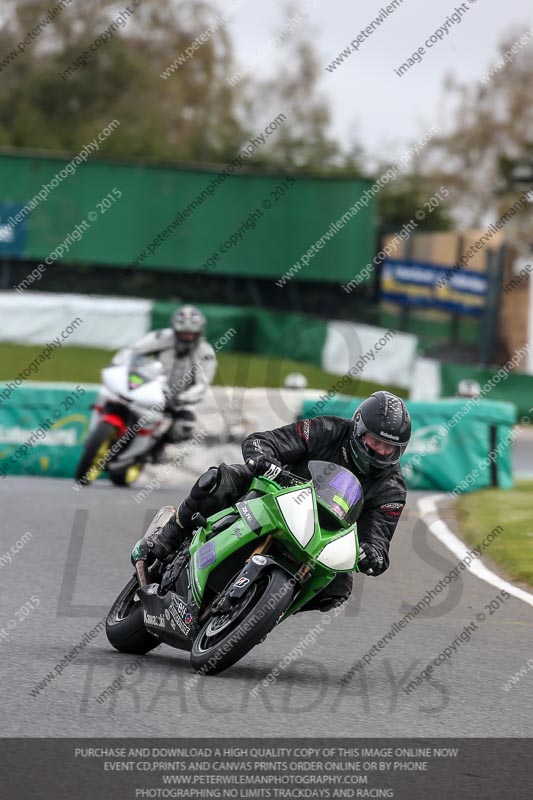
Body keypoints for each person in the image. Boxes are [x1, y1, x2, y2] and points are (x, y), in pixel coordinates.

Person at [132, 391, 411, 611]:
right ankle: (167, 536)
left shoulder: (392, 488)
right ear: (359, 429)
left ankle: (264, 609)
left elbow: (378, 538)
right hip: (275, 495)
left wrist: (372, 554)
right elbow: (268, 441)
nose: (382, 452)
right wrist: (261, 457)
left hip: (322, 536)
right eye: (377, 442)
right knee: (221, 479)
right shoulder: (327, 429)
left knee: (339, 586)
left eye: (391, 447)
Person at [129, 305, 216, 450]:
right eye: (182, 333)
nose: (186, 337)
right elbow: (134, 352)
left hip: (182, 400)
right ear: (175, 330)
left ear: (199, 332)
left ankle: (156, 449)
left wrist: (186, 397)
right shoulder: (162, 337)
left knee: (185, 428)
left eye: (191, 334)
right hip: (153, 392)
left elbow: (203, 383)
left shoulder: (206, 351)